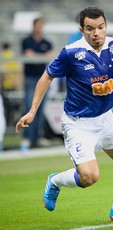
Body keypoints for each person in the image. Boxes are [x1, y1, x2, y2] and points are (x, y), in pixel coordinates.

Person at [16, 6, 113, 223]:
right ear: (82, 30)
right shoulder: (71, 53)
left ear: (106, 26)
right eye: (90, 28)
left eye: (100, 27)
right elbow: (47, 76)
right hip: (78, 124)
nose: (96, 33)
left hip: (106, 118)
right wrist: (32, 111)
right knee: (89, 177)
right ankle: (55, 181)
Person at [21, 17, 53, 151]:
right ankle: (27, 137)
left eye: (41, 26)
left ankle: (37, 137)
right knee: (30, 107)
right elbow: (29, 57)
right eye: (37, 26)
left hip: (43, 79)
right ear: (33, 27)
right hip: (30, 79)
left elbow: (48, 58)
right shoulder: (26, 41)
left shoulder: (47, 42)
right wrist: (41, 56)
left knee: (41, 108)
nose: (39, 28)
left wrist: (36, 56)